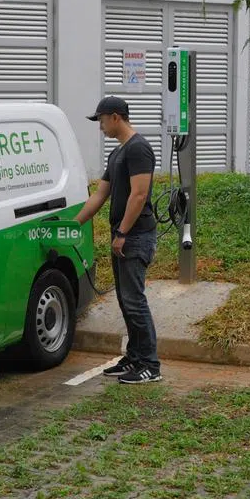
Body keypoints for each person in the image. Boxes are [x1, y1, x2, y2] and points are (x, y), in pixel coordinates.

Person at [74, 96, 161, 384]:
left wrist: (122, 232)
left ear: (115, 117)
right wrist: (75, 224)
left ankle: (150, 365)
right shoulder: (118, 153)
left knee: (135, 301)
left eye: (100, 120)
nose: (100, 127)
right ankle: (134, 358)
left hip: (135, 237)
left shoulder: (139, 149)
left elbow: (139, 195)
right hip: (122, 236)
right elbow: (100, 194)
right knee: (126, 301)